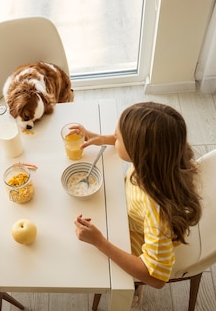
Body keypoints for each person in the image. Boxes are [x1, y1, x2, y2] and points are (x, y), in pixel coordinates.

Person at [70, 102, 202, 293]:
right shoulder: (164, 159)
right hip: (130, 212)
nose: (113, 137)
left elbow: (156, 278)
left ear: (139, 152)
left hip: (138, 238)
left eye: (117, 138)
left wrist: (99, 242)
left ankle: (133, 292)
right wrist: (102, 139)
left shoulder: (156, 211)